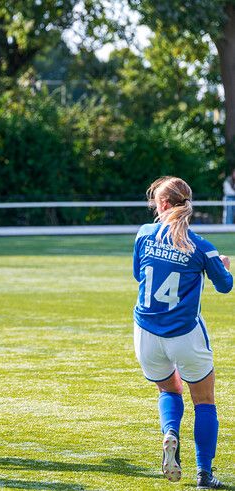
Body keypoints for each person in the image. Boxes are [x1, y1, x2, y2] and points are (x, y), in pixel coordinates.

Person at [133, 176, 232, 489]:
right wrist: (224, 266)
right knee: (204, 401)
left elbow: (139, 273)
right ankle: (204, 474)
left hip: (146, 334)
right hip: (184, 335)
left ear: (161, 204)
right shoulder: (202, 247)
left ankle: (170, 432)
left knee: (168, 390)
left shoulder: (145, 233)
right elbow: (226, 286)